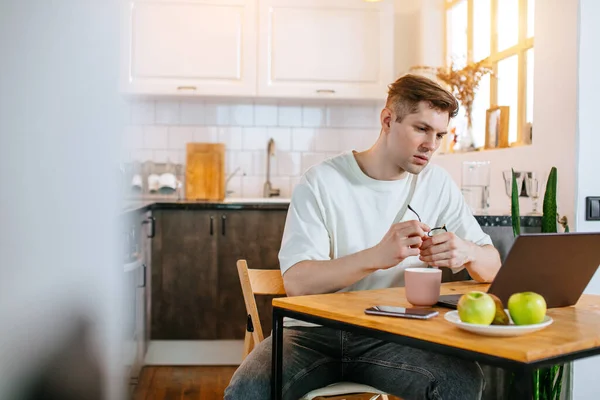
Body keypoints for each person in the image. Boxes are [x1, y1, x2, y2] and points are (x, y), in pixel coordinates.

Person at [225, 74, 502, 400]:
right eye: (421, 128)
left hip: (396, 336)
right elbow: (298, 283)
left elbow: (494, 268)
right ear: (387, 120)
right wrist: (377, 256)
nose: (431, 144)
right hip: (310, 334)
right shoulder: (321, 182)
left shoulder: (437, 184)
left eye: (439, 134)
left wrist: (467, 251)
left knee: (461, 381)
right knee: (248, 390)